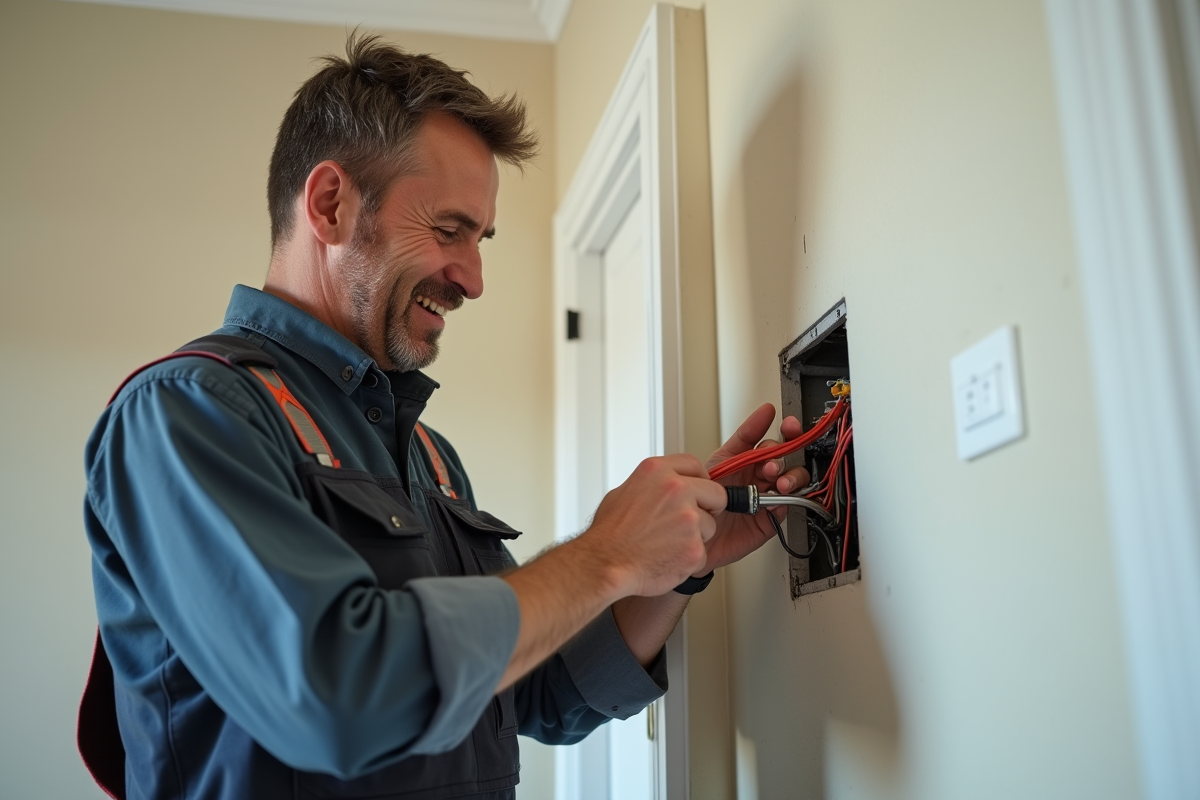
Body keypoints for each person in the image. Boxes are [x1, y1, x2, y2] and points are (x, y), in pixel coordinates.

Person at [81, 34, 809, 800]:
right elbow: (337, 696)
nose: (474, 278)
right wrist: (606, 553)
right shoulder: (185, 413)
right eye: (449, 229)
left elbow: (538, 692)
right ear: (330, 205)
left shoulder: (430, 456)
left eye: (480, 238)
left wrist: (675, 560)